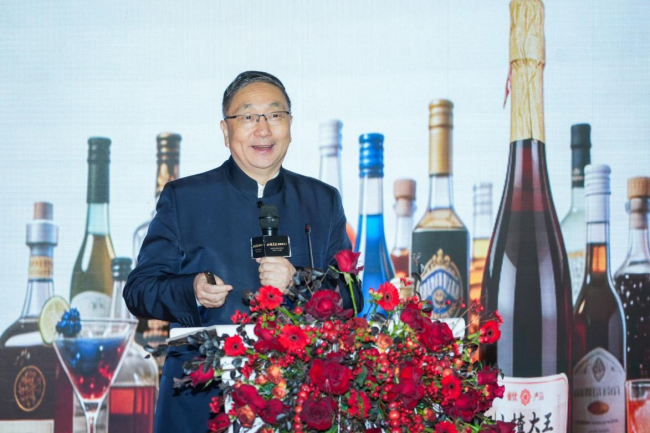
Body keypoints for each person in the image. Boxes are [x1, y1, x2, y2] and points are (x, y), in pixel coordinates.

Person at [123, 71, 362, 432]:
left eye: (275, 115)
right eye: (248, 116)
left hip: (299, 404)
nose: (263, 129)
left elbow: (353, 296)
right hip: (201, 405)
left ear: (290, 125)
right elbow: (139, 290)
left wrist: (300, 281)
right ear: (225, 130)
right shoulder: (185, 199)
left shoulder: (322, 201)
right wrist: (192, 290)